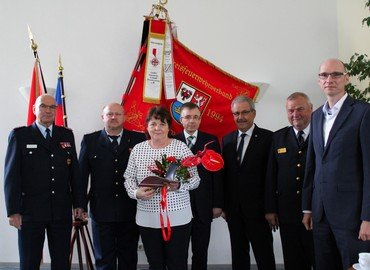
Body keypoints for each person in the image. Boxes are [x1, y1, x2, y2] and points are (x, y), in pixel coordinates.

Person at [302, 58, 370, 269]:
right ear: (318, 80)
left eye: (336, 74)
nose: (329, 79)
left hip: (352, 217)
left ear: (346, 78)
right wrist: (307, 208)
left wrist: (368, 217)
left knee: (354, 266)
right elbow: (311, 166)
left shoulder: (363, 112)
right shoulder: (315, 116)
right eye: (324, 75)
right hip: (320, 213)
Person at [4, 94, 85, 270]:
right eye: (43, 106)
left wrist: (79, 203)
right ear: (34, 109)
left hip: (61, 210)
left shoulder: (66, 135)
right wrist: (13, 211)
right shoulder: (20, 135)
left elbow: (75, 173)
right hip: (30, 211)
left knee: (61, 261)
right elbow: (11, 176)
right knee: (29, 261)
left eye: (52, 107)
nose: (48, 111)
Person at [124, 106, 200, 270]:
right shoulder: (138, 149)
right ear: (147, 126)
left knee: (177, 263)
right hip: (147, 217)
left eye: (162, 124)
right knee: (155, 264)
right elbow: (128, 177)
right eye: (153, 124)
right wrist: (136, 192)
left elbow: (195, 179)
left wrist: (179, 185)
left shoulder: (180, 147)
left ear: (169, 127)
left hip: (178, 217)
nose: (157, 128)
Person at [79, 103, 146, 270]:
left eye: (117, 114)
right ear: (103, 118)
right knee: (103, 259)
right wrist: (80, 204)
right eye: (109, 114)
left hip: (130, 208)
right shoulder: (90, 140)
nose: (114, 117)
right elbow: (81, 177)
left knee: (128, 256)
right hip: (101, 209)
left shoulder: (139, 140)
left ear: (124, 117)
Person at [222, 95, 276, 270]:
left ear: (253, 113)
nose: (240, 117)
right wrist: (224, 206)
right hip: (234, 211)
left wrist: (270, 209)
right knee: (238, 254)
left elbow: (271, 176)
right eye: (236, 113)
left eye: (245, 112)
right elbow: (226, 176)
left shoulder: (269, 138)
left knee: (264, 255)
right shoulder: (227, 139)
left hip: (260, 211)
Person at [265, 92, 315, 270]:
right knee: (293, 259)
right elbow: (271, 175)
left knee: (318, 257)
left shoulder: (322, 134)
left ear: (311, 109)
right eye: (291, 110)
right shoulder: (278, 137)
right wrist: (270, 209)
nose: (295, 114)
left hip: (317, 210)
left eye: (300, 109)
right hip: (287, 212)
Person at [174, 102, 223, 270]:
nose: (192, 121)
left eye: (196, 117)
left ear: (200, 119)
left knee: (200, 250)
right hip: (178, 205)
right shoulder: (173, 140)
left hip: (204, 205)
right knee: (179, 251)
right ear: (181, 119)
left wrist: (217, 204)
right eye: (188, 117)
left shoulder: (211, 141)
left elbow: (217, 174)